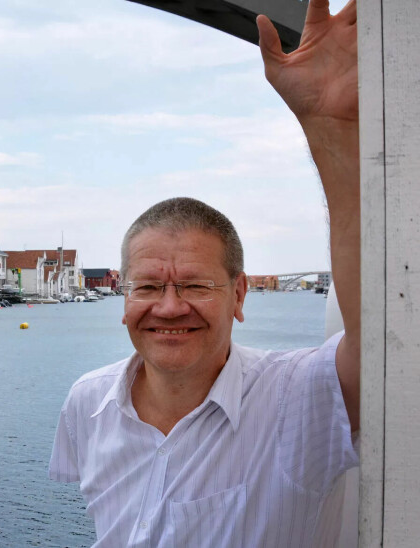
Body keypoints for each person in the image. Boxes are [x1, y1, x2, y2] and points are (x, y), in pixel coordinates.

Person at [48, 0, 360, 546]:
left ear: (239, 293)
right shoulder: (86, 404)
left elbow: (386, 341)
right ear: (123, 297)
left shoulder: (298, 398)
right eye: (147, 286)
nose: (169, 306)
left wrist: (329, 134)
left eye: (194, 285)